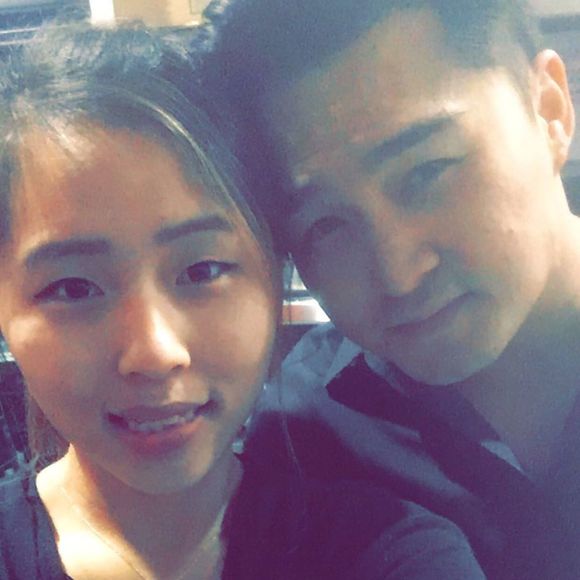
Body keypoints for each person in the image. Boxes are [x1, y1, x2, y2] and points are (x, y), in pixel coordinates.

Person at [0, 18, 487, 580]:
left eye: (203, 270)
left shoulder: (390, 553)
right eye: (73, 288)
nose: (155, 353)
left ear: (274, 275)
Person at [203, 0, 580, 577]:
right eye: (325, 225)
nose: (399, 274)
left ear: (550, 110)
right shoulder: (305, 437)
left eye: (427, 171)